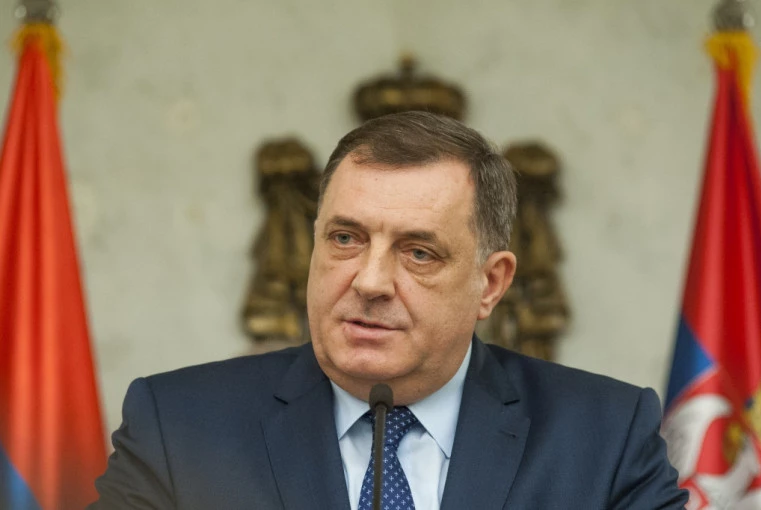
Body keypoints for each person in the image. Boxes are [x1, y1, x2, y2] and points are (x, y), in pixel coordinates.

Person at [89, 111, 688, 509]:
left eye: (419, 252)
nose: (370, 281)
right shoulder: (179, 427)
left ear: (490, 283)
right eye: (345, 239)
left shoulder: (604, 437)